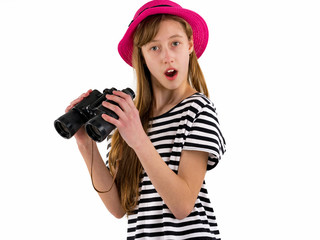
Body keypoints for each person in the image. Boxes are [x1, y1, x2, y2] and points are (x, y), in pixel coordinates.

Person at [65, 0, 226, 239]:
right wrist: (84, 143)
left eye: (175, 43)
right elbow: (119, 207)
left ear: (189, 45)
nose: (167, 57)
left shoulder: (197, 109)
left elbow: (182, 206)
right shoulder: (128, 117)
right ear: (141, 56)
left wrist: (138, 138)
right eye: (154, 48)